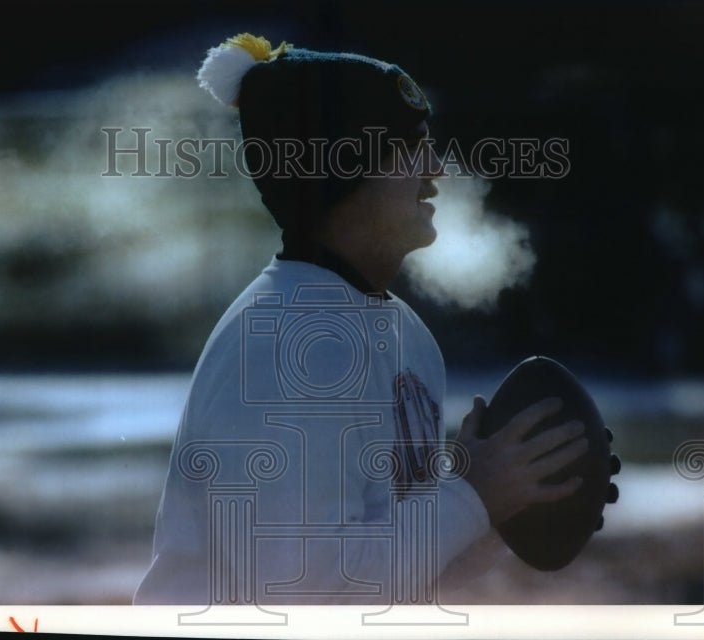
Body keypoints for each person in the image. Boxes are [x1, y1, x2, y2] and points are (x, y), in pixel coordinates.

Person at [134, 34, 587, 606]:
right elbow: (303, 588)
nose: (435, 169)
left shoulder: (403, 332)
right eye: (410, 147)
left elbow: (402, 571)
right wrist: (472, 496)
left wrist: (503, 504)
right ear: (343, 168)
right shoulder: (289, 345)